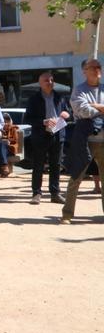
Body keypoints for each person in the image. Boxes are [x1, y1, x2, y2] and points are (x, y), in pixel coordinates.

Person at [62, 59, 104, 224]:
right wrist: (101, 108)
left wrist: (96, 105)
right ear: (84, 71)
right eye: (92, 67)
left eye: (98, 67)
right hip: (85, 140)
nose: (96, 70)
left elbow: (90, 109)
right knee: (76, 177)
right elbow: (83, 110)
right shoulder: (79, 90)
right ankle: (67, 214)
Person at [25, 72, 70, 204]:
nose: (50, 82)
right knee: (38, 165)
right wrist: (43, 122)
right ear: (40, 83)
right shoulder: (34, 99)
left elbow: (69, 114)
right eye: (46, 80)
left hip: (58, 135)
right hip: (40, 135)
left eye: (51, 80)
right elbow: (27, 118)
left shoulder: (60, 97)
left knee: (56, 166)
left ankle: (55, 193)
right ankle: (36, 193)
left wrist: (67, 114)